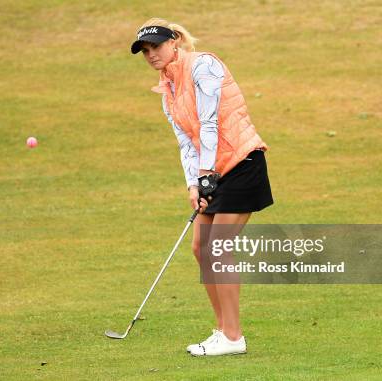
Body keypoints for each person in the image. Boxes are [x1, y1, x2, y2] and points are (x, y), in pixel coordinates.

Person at [130, 18, 274, 356]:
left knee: (219, 248)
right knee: (201, 248)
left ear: (175, 41)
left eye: (157, 46)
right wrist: (193, 185)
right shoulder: (167, 89)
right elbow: (185, 142)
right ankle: (223, 330)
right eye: (145, 51)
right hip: (213, 172)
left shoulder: (204, 65)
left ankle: (234, 338)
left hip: (242, 162)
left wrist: (207, 172)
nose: (151, 55)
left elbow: (209, 121)